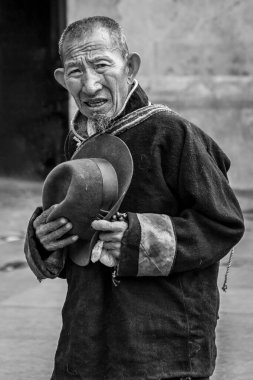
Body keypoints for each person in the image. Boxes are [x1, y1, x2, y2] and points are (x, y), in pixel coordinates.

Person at [24, 16, 244, 380]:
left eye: (101, 65)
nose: (90, 83)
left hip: (161, 345)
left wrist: (137, 237)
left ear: (130, 68)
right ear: (63, 80)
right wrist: (46, 239)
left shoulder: (174, 134)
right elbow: (76, 236)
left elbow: (223, 222)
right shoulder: (76, 142)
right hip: (86, 338)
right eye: (76, 71)